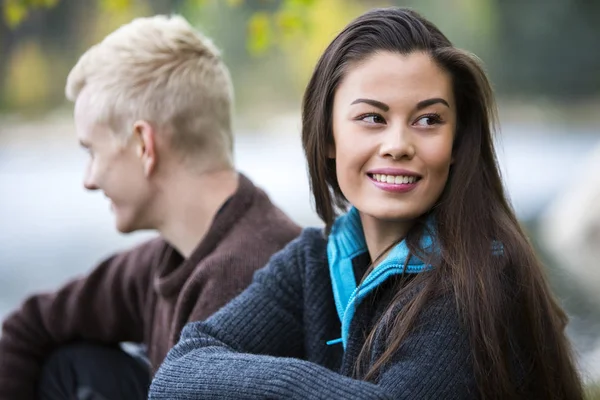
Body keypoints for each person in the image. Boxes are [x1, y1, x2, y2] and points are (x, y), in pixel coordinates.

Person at [148, 7, 584, 400]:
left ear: (455, 144)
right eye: (372, 118)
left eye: (428, 120)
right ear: (329, 137)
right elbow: (178, 372)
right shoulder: (314, 262)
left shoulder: (479, 280)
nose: (398, 145)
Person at [0, 15, 301, 400]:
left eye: (92, 151)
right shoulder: (172, 254)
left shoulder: (245, 276)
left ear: (144, 145)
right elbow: (30, 325)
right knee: (69, 364)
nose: (88, 179)